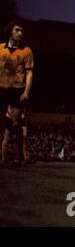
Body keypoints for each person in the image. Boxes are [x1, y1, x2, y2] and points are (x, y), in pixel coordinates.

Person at [0, 19, 34, 167]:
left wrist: (26, 91)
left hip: (17, 90)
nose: (20, 33)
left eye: (21, 31)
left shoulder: (26, 51)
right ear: (10, 32)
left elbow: (29, 73)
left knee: (15, 124)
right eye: (17, 30)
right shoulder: (0, 48)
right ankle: (4, 158)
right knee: (3, 124)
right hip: (1, 88)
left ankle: (19, 156)